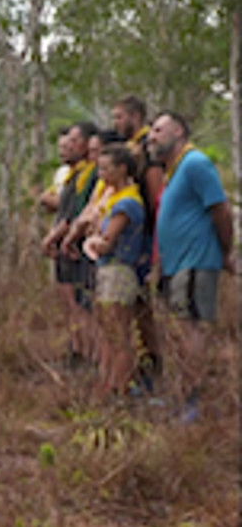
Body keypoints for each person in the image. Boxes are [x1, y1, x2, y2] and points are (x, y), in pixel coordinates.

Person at [149, 110, 234, 421]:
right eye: (151, 131)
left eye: (159, 130)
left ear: (179, 132)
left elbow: (221, 209)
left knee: (191, 329)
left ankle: (191, 402)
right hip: (177, 264)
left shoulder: (196, 163)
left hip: (197, 261)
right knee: (180, 329)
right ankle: (181, 393)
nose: (151, 136)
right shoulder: (175, 170)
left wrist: (225, 251)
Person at [82, 145, 145, 399]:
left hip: (118, 271)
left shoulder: (127, 204)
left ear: (122, 169)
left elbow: (106, 241)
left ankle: (122, 387)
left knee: (118, 333)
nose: (101, 174)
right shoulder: (111, 199)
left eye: (106, 168)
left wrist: (94, 241)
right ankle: (109, 384)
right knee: (109, 332)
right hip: (108, 269)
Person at [111, 95, 164, 388]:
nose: (116, 122)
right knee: (134, 305)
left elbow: (156, 201)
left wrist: (155, 245)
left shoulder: (149, 151)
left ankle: (153, 363)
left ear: (135, 116)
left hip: (143, 238)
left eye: (120, 116)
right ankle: (143, 361)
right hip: (132, 236)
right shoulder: (129, 148)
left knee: (143, 305)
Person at [40, 122, 99, 367]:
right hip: (66, 247)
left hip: (79, 249)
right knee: (71, 304)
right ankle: (77, 351)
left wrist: (56, 237)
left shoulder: (92, 175)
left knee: (82, 305)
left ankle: (89, 356)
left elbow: (75, 215)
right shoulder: (74, 175)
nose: (67, 146)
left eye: (74, 141)